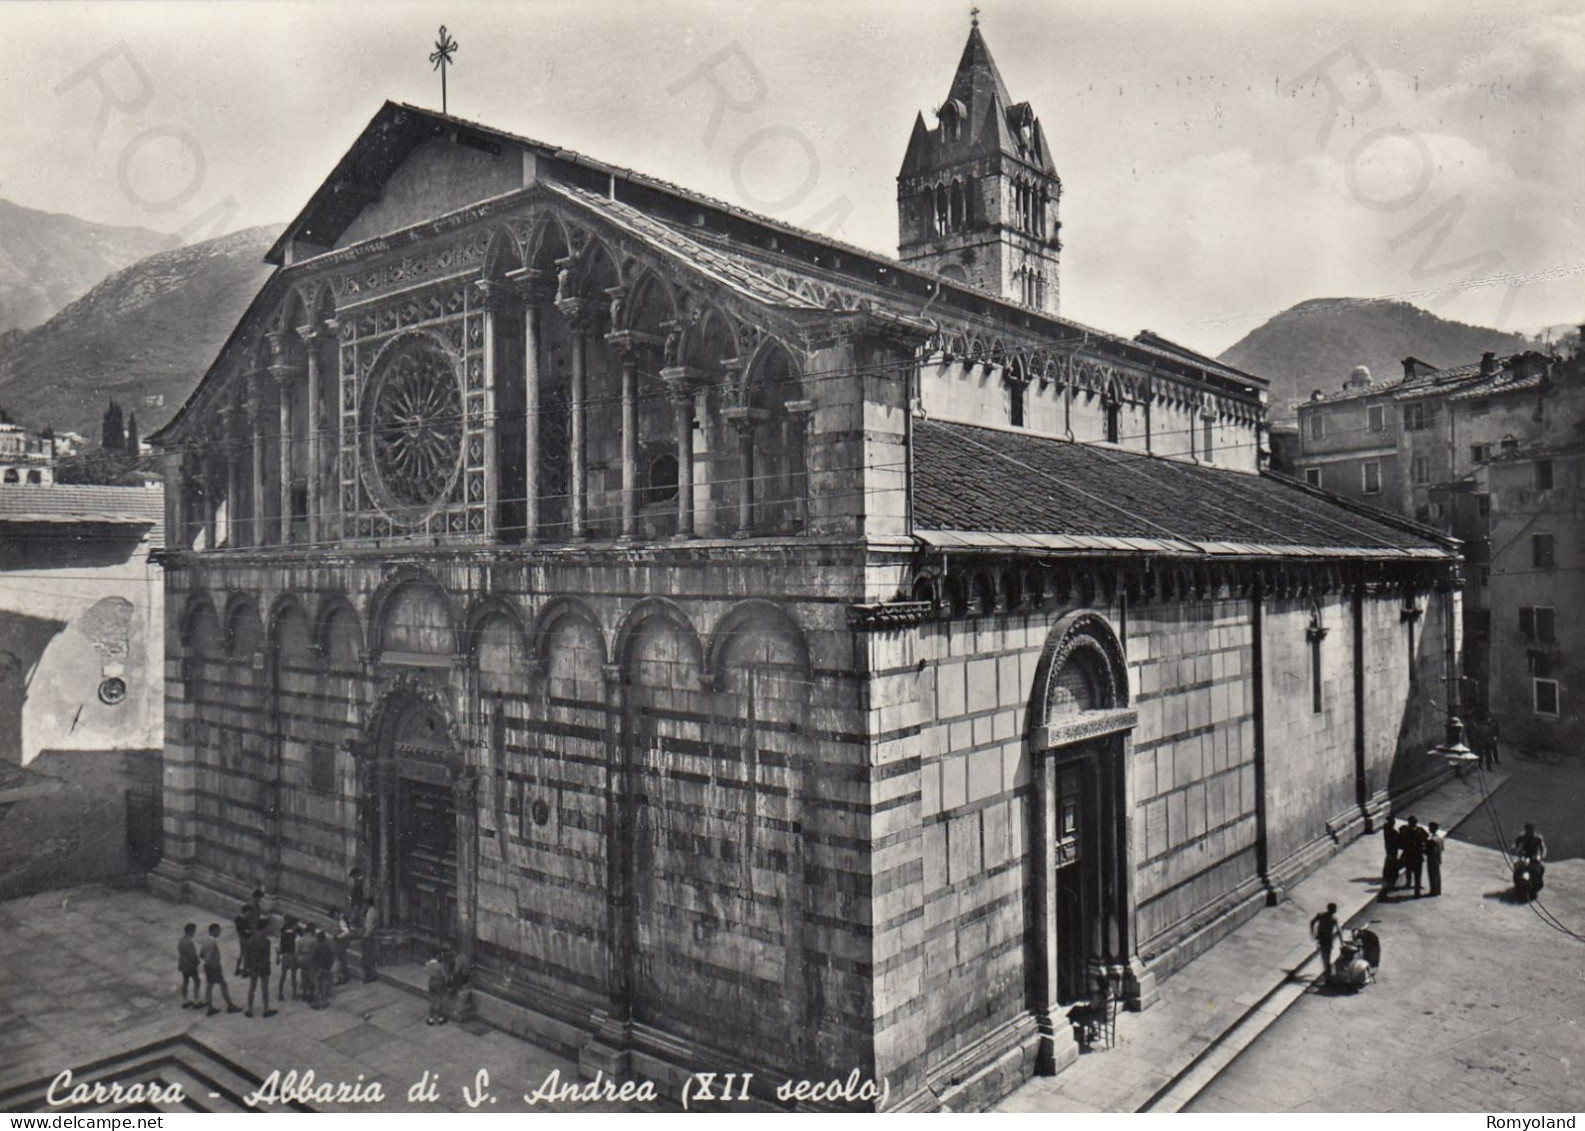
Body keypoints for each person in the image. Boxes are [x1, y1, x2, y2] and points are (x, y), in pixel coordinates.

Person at [199, 923, 242, 1016]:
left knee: (209, 986)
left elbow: (202, 954)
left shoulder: (205, 939)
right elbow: (209, 957)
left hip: (208, 967)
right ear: (213, 931)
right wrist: (214, 965)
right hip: (213, 967)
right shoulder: (213, 942)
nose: (219, 932)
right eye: (218, 931)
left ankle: (210, 1007)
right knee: (223, 985)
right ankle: (230, 1005)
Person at [243, 922, 276, 1018]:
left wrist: (248, 967)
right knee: (265, 989)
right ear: (264, 929)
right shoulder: (266, 942)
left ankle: (249, 1009)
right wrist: (262, 965)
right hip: (263, 968)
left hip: (253, 967)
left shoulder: (250, 940)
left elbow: (247, 956)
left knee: (252, 988)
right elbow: (266, 957)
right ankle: (266, 1010)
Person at [1310, 903, 1341, 979]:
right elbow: (1338, 931)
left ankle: (1327, 972)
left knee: (1325, 955)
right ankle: (1327, 974)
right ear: (1332, 909)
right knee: (1326, 955)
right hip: (1327, 938)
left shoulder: (1321, 915)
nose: (1335, 910)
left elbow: (1312, 922)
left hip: (1322, 937)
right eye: (1335, 909)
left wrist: (1313, 933)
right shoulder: (1333, 919)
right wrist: (1342, 942)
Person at [1400, 816, 1429, 897]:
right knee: (1411, 871)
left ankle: (1414, 887)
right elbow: (1425, 838)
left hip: (1413, 854)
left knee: (1413, 871)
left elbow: (1425, 837)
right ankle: (1414, 888)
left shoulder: (1407, 829)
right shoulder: (1409, 829)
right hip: (1413, 854)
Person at [1514, 823, 1547, 892]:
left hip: (1534, 856)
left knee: (1541, 867)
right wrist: (1516, 850)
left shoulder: (1538, 838)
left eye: (1531, 830)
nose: (1529, 831)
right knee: (1517, 866)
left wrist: (1541, 856)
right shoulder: (1521, 836)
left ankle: (1538, 882)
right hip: (1524, 855)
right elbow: (1516, 844)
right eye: (1528, 829)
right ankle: (1517, 882)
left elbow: (1543, 848)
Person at [178, 923, 202, 1009]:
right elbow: (192, 955)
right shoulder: (189, 943)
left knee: (185, 981)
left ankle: (185, 1000)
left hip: (183, 964)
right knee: (197, 981)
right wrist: (197, 962)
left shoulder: (181, 940)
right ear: (191, 932)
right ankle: (196, 1000)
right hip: (190, 965)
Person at [310, 929, 335, 1009]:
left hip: (318, 969)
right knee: (324, 985)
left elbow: (312, 959)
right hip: (326, 968)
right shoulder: (327, 947)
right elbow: (331, 958)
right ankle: (324, 1002)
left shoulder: (316, 948)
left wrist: (314, 967)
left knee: (317, 986)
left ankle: (316, 1002)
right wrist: (329, 967)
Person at [277, 915, 301, 1002]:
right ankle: (294, 994)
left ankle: (280, 993)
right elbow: (296, 949)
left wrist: (277, 957)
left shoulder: (283, 935)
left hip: (284, 956)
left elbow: (279, 947)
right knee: (293, 976)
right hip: (292, 956)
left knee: (283, 976)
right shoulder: (295, 936)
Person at [425, 947, 449, 1026]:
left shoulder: (427, 964)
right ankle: (440, 1018)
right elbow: (444, 975)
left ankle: (431, 1018)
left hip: (431, 981)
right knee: (439, 999)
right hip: (439, 982)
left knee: (432, 999)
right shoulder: (440, 966)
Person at [331, 907, 355, 984]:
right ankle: (345, 975)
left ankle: (344, 976)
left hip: (340, 944)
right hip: (342, 944)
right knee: (342, 960)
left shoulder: (341, 921)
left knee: (341, 960)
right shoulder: (342, 920)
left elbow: (346, 932)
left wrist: (338, 937)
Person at [232, 902, 256, 977]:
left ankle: (237, 969)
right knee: (246, 955)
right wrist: (251, 932)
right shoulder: (245, 920)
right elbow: (247, 930)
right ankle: (245, 972)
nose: (250, 914)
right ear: (246, 912)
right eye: (249, 912)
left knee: (242, 954)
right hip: (246, 939)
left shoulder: (237, 918)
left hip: (241, 938)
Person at [360, 900, 380, 984]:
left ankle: (369, 976)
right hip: (372, 936)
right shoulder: (374, 911)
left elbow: (369, 927)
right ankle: (370, 975)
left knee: (366, 958)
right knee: (369, 957)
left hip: (368, 937)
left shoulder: (370, 913)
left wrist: (364, 936)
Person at [1381, 816, 1402, 892]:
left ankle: (1386, 874)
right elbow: (1398, 839)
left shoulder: (1386, 829)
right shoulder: (1392, 832)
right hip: (1392, 848)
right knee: (1393, 862)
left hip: (1389, 847)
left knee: (1388, 859)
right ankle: (1391, 878)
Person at [1426, 821, 1445, 897]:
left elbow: (1430, 852)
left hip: (1432, 860)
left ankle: (1433, 891)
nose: (1429, 829)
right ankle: (1438, 890)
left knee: (1432, 875)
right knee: (1437, 875)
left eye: (1429, 827)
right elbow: (1442, 848)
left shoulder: (1432, 840)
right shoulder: (1439, 838)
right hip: (1438, 859)